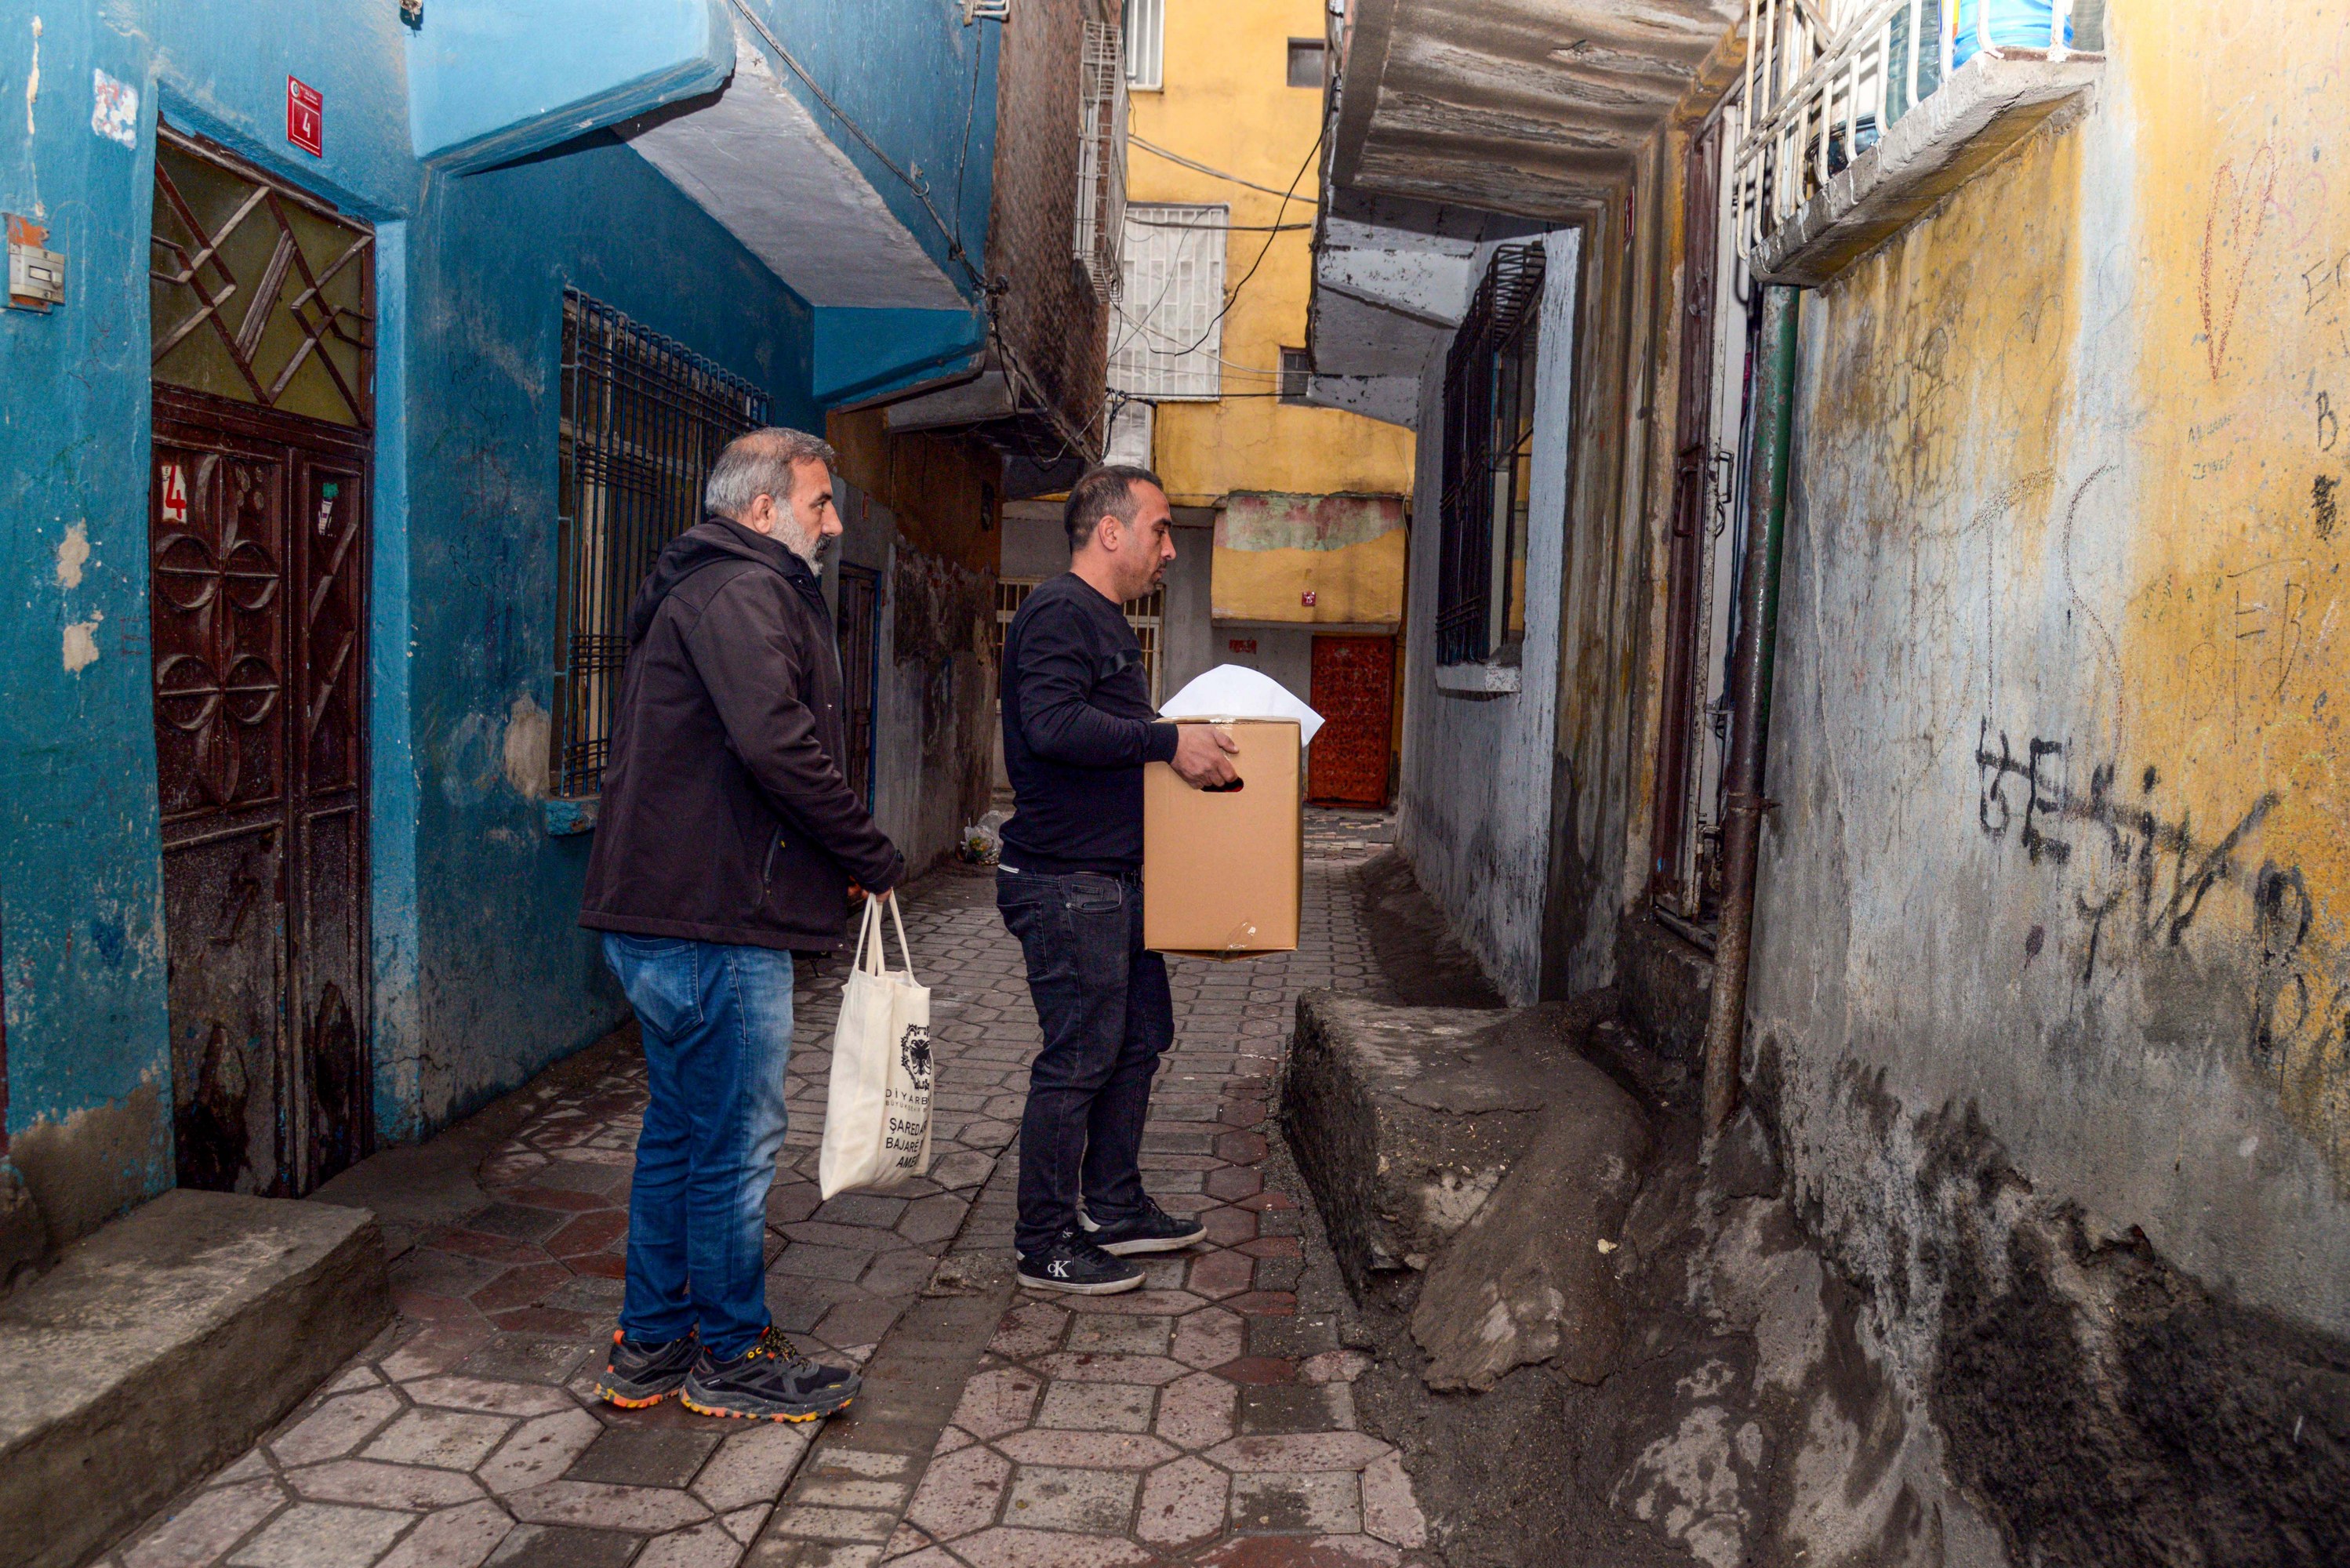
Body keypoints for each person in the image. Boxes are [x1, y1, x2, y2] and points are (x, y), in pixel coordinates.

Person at [579, 427, 902, 1419]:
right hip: (711, 919)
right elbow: (778, 745)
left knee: (683, 1128)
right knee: (732, 1139)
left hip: (679, 911)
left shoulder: (712, 583)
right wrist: (867, 851)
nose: (833, 522)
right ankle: (730, 1351)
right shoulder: (743, 590)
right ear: (762, 508)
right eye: (819, 502)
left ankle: (652, 1341)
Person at [997, 464, 1240, 1294]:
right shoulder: (1060, 611)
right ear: (1110, 531)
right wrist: (1168, 741)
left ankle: (1113, 1206)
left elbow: (1102, 728)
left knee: (1137, 1041)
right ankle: (1043, 1241)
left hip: (1114, 880)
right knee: (1080, 1056)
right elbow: (1052, 724)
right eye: (1160, 530)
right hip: (1067, 884)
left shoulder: (1101, 619)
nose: (1169, 549)